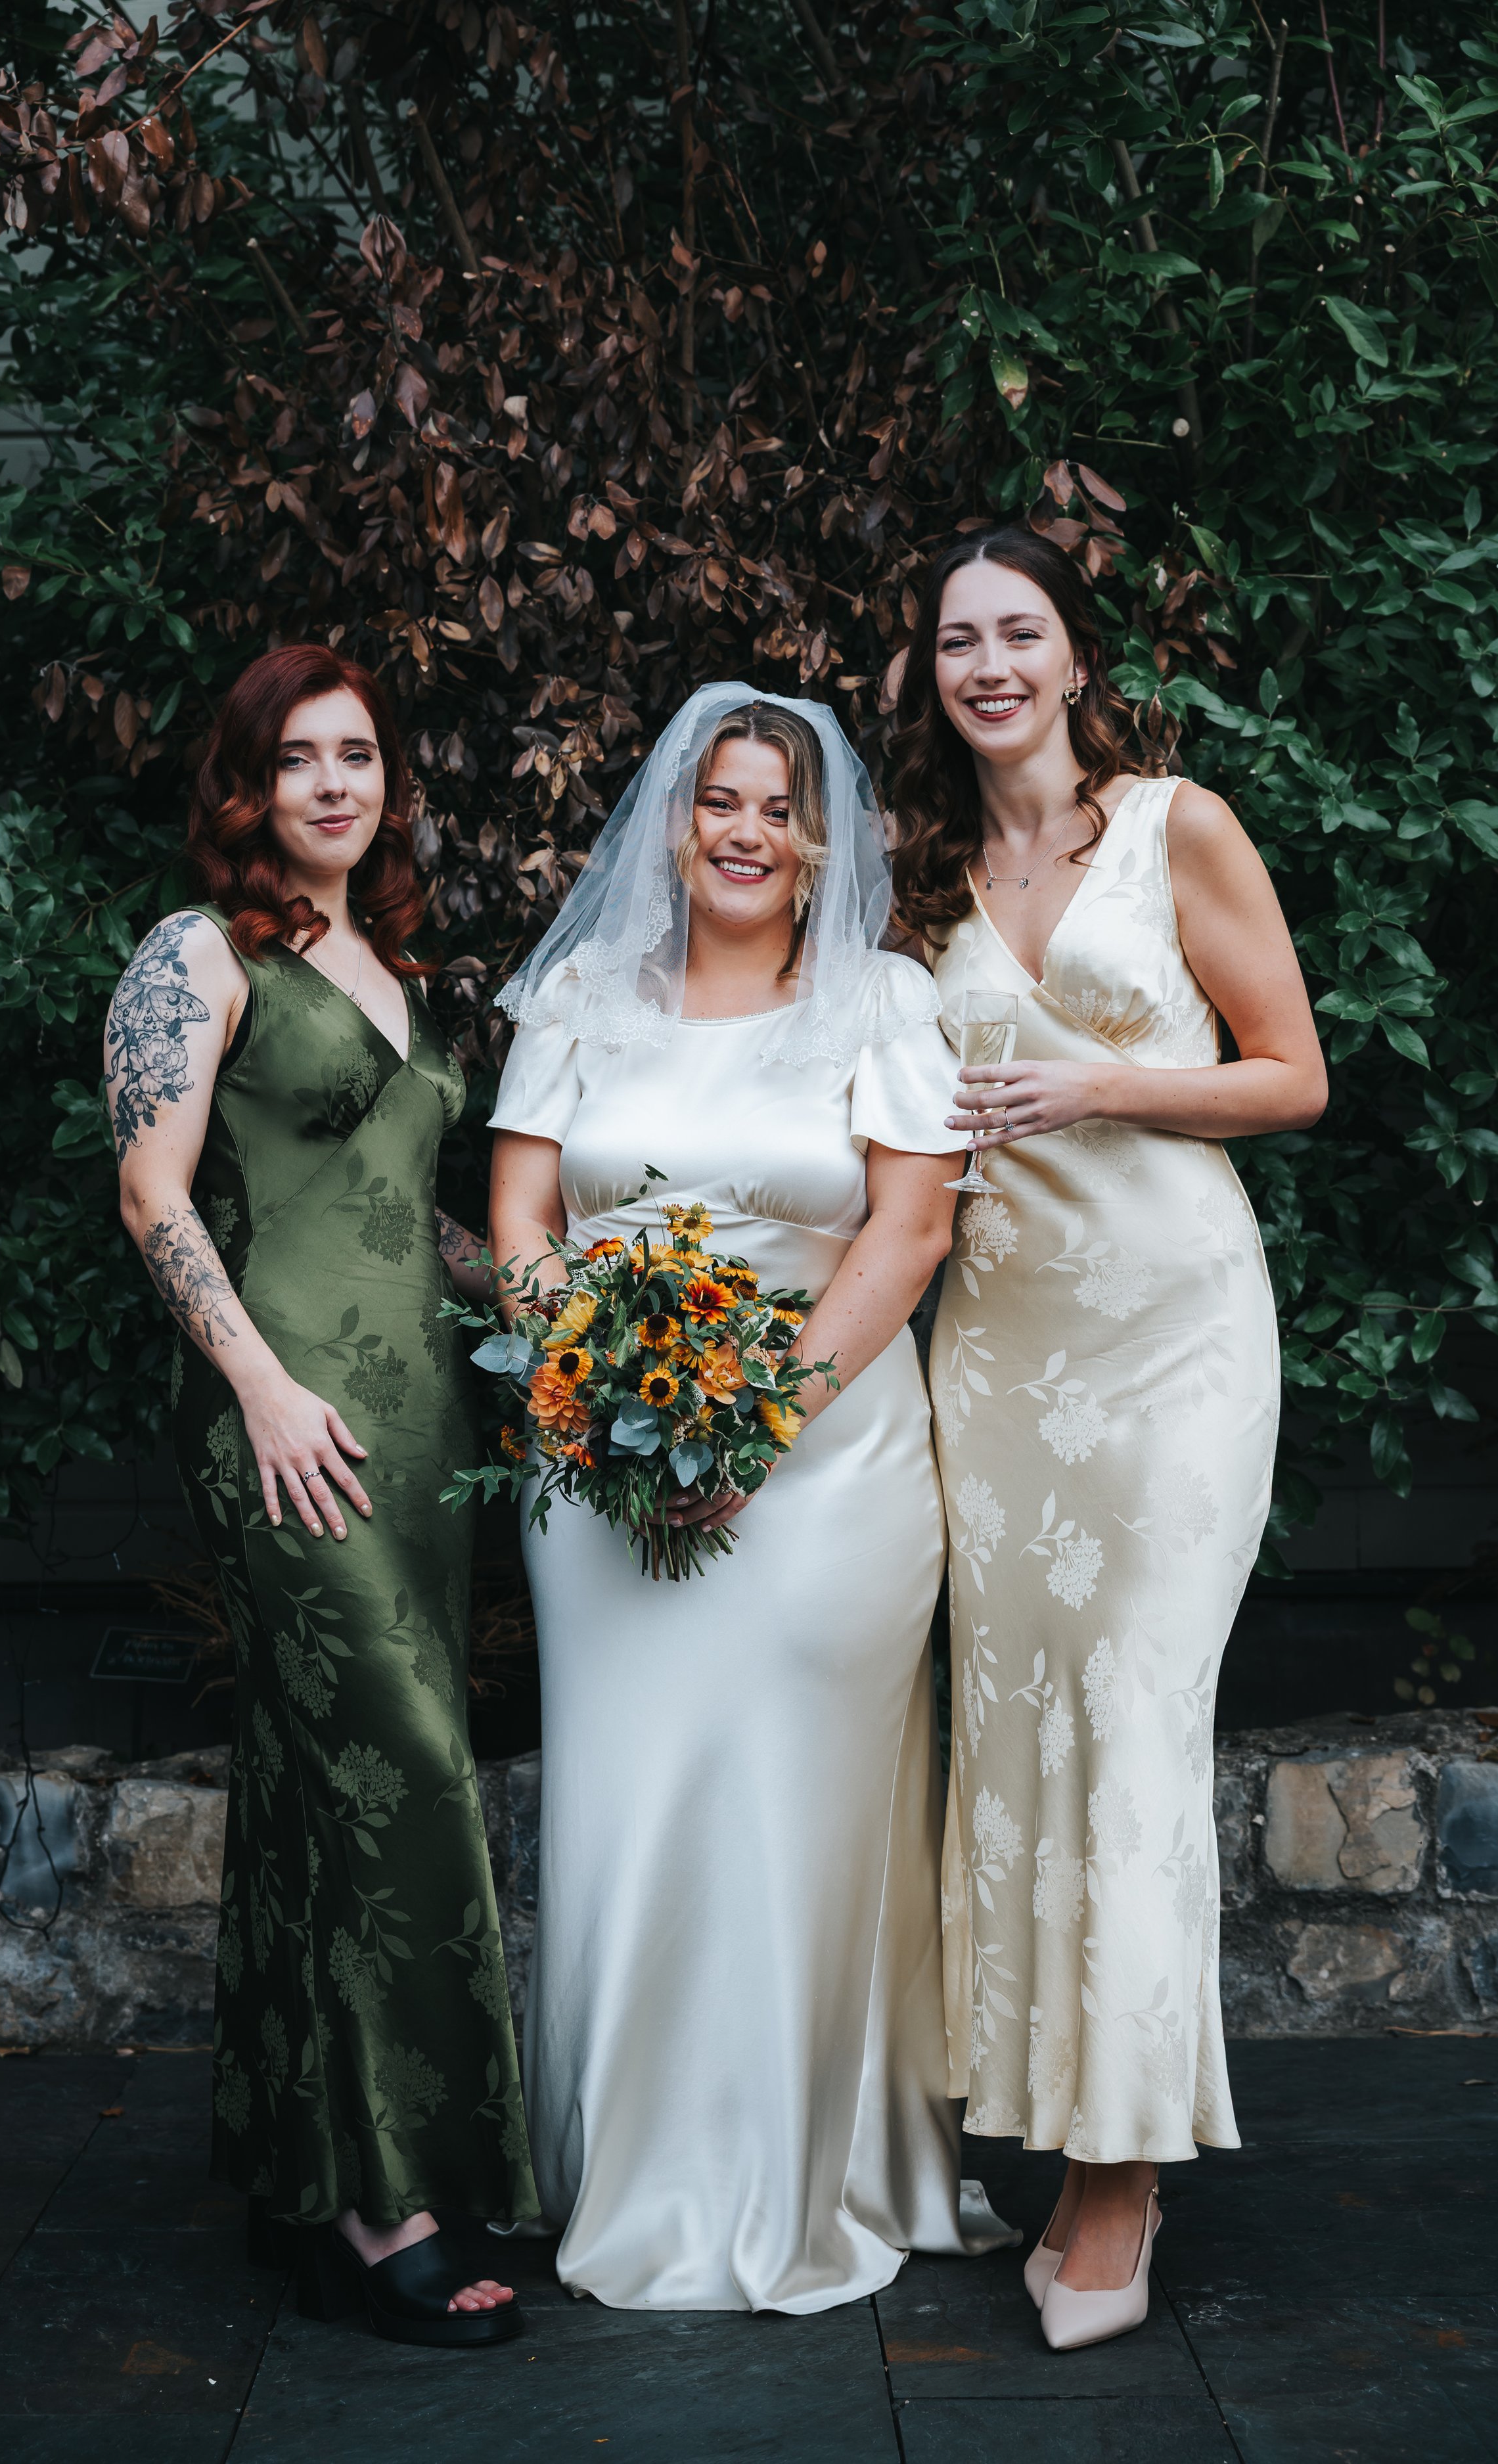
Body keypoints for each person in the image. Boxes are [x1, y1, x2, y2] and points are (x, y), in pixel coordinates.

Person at [486, 685, 1014, 2312]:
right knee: (631, 1809)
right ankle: (630, 2173)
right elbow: (518, 1213)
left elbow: (908, 1232)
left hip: (823, 1471)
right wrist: (583, 1387)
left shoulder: (879, 1001)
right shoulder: (581, 993)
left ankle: (808, 2171)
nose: (746, 831)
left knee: (794, 1814)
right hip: (597, 1467)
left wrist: (747, 1421)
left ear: (821, 843)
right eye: (720, 800)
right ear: (672, 820)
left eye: (781, 810)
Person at [889, 528, 1326, 2352]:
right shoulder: (914, 885)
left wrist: (1097, 1080)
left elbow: (1291, 1070)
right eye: (953, 640)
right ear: (927, 677)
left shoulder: (1173, 824)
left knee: (1134, 1730)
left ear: (1074, 659)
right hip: (992, 1358)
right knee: (1017, 1748)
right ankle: (1049, 2139)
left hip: (1170, 1342)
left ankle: (1120, 2183)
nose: (986, 662)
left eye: (1019, 632)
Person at [105, 643, 537, 2347]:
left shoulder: (390, 964)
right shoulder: (195, 952)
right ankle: (387, 2202)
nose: (337, 783)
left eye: (360, 754)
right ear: (249, 783)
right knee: (399, 1769)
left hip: (425, 1431)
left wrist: (562, 1314)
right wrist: (262, 1384)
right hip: (288, 1421)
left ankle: (315, 2173)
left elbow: (401, 1207)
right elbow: (151, 1189)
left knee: (320, 1788)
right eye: (303, 758)